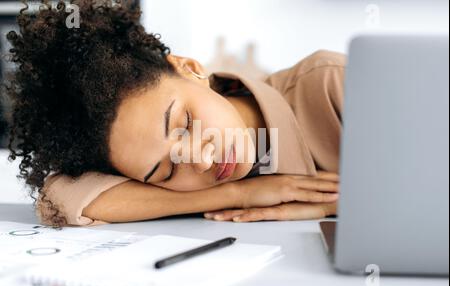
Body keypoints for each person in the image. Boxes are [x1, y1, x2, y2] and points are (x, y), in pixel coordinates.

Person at [5, 0, 344, 227]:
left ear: (189, 68)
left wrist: (336, 205)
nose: (201, 160)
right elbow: (59, 196)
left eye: (183, 124)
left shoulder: (331, 84)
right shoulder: (214, 179)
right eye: (166, 172)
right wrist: (239, 195)